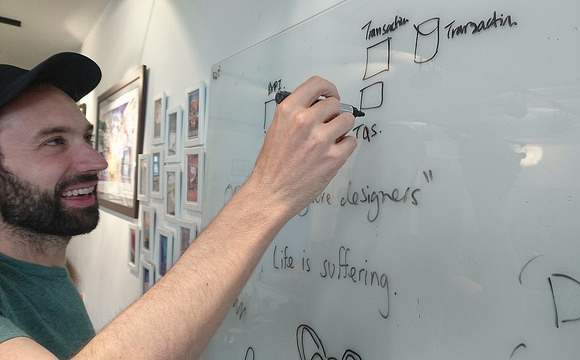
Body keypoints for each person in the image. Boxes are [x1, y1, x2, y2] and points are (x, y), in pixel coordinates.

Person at [0, 52, 357, 359]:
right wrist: (270, 192)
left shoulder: (41, 273)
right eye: (54, 141)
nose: (96, 161)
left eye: (87, 137)